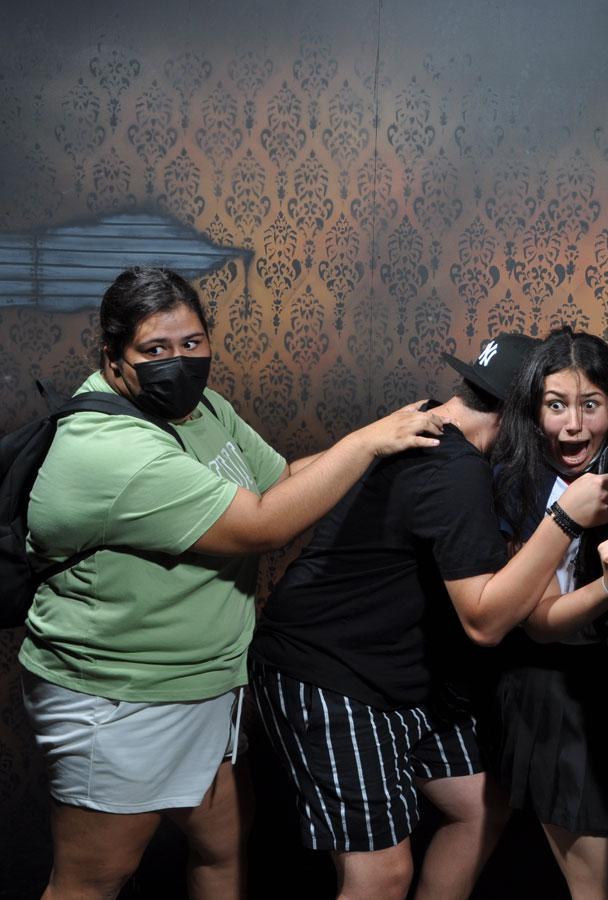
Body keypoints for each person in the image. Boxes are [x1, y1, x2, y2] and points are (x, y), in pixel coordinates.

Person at [19, 267, 442, 900]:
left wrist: (384, 446)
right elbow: (263, 523)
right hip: (122, 698)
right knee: (92, 881)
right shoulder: (111, 451)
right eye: (155, 349)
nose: (179, 361)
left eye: (191, 343)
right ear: (113, 358)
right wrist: (367, 443)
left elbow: (281, 481)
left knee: (223, 850)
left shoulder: (203, 409)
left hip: (205, 684)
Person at [249, 333, 608, 900]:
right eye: (550, 408)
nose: (565, 427)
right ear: (519, 413)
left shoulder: (425, 419)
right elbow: (484, 622)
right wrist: (565, 519)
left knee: (481, 807)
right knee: (381, 875)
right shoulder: (454, 468)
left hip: (403, 676)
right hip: (327, 672)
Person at [490, 327, 608, 900]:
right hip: (553, 694)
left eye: (590, 405)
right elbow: (539, 622)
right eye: (556, 405)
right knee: (596, 886)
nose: (573, 425)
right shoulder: (520, 480)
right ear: (535, 412)